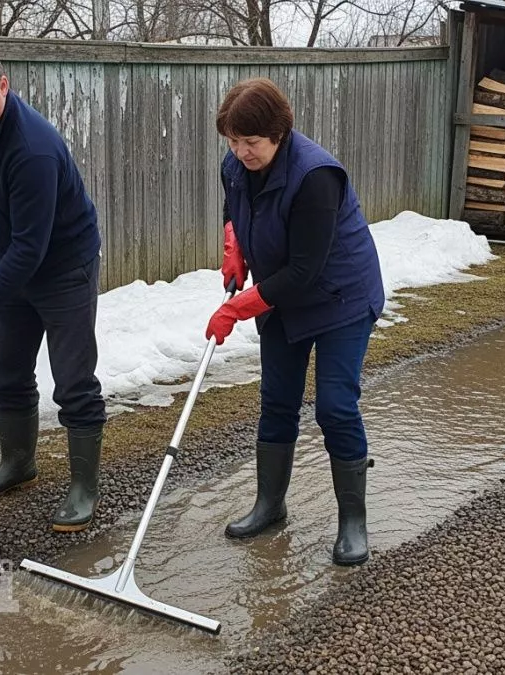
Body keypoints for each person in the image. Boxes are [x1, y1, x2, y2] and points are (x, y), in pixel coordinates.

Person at [206, 77, 384, 566]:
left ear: (279, 133)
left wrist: (236, 308)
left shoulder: (316, 177)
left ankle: (352, 521)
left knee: (335, 406)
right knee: (277, 399)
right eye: (233, 141)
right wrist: (233, 244)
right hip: (282, 295)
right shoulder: (235, 165)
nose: (241, 152)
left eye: (251, 142)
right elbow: (236, 207)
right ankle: (270, 505)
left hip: (339, 296)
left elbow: (305, 271)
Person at [0, 38, 106, 533]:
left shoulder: (33, 150)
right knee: (7, 369)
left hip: (64, 267)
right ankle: (18, 464)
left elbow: (32, 251)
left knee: (73, 381)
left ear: (3, 86)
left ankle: (84, 487)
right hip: (15, 260)